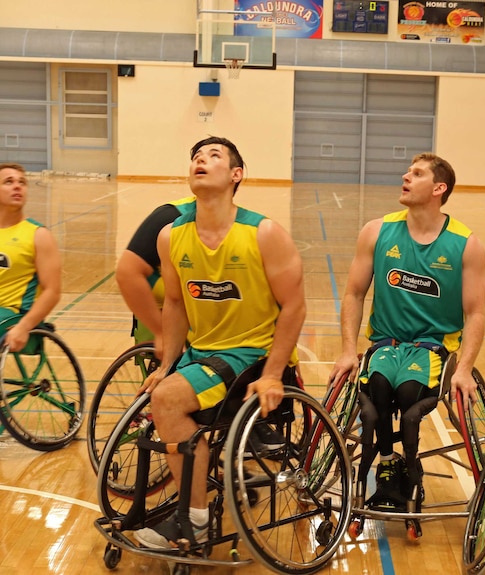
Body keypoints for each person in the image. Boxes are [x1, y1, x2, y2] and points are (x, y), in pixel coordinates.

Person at [133, 136, 306, 549]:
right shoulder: (171, 236)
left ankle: (193, 519)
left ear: (235, 175)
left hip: (251, 354)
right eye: (195, 156)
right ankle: (191, 492)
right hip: (202, 355)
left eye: (213, 156)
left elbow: (295, 307)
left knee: (169, 401)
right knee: (161, 393)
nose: (200, 161)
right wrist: (166, 365)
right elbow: (173, 303)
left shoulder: (264, 233)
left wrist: (273, 374)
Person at [327, 152, 485, 510]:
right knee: (378, 388)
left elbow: (475, 312)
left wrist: (464, 369)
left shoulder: (466, 243)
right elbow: (353, 293)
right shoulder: (377, 231)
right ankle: (386, 463)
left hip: (432, 349)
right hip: (386, 343)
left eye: (417, 173)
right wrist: (348, 349)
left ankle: (410, 466)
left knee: (410, 391)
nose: (406, 176)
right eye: (408, 171)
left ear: (438, 188)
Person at [116, 197, 195, 358]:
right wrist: (161, 332)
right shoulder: (171, 215)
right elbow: (127, 272)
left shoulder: (242, 225)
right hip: (162, 305)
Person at [0, 163, 62, 352]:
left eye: (22, 182)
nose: (17, 186)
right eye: (8, 182)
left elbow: (52, 291)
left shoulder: (38, 235)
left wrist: (24, 326)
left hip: (13, 316)